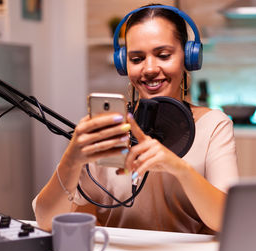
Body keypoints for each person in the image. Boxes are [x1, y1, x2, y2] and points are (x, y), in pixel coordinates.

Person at [33, 4, 239, 235]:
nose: (149, 69)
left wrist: (179, 169)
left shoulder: (214, 126)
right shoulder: (103, 131)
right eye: (137, 58)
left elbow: (227, 220)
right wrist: (72, 158)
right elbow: (46, 221)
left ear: (189, 57)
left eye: (163, 55)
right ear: (124, 64)